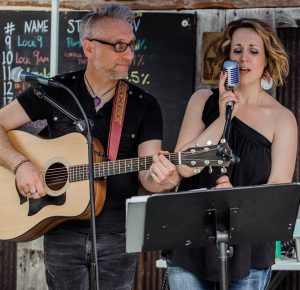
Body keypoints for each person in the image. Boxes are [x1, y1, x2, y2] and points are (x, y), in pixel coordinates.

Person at [0, 4, 179, 290]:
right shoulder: (55, 92)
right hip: (60, 231)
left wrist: (166, 179)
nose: (130, 55)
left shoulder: (144, 104)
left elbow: (149, 177)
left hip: (118, 236)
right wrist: (20, 165)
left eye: (131, 45)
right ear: (89, 48)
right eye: (119, 46)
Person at [166, 18, 297, 290]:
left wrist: (236, 200)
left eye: (253, 50)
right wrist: (225, 114)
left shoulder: (282, 119)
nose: (243, 58)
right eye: (237, 50)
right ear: (227, 57)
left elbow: (277, 194)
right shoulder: (202, 100)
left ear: (266, 59)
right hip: (192, 241)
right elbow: (184, 167)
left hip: (248, 251)